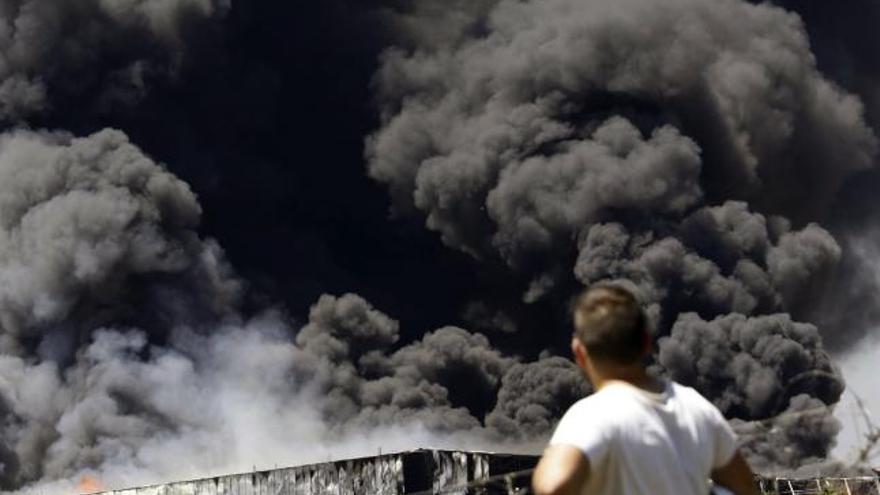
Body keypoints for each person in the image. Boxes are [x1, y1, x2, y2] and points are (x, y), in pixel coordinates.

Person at [531, 284, 760, 495]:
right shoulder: (697, 408)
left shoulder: (593, 414)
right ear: (646, 343)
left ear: (579, 352)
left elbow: (553, 486)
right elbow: (745, 487)